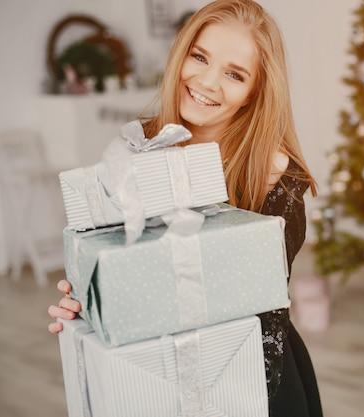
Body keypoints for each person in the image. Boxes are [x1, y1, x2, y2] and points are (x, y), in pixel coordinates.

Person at [47, 1, 323, 416]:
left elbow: (245, 305)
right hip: (154, 377)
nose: (208, 82)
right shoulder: (138, 146)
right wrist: (92, 299)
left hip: (248, 377)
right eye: (199, 57)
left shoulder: (274, 176)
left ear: (254, 93)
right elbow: (122, 257)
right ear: (181, 54)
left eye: (234, 74)